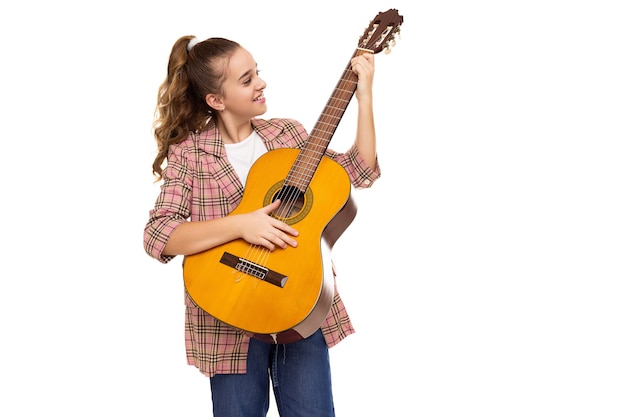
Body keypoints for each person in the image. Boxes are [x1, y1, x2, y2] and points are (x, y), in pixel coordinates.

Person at [143, 35, 381, 417]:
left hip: (298, 302)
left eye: (258, 73)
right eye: (246, 79)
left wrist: (364, 95)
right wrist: (240, 226)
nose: (261, 83)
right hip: (227, 314)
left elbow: (360, 170)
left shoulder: (287, 136)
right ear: (216, 100)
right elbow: (158, 234)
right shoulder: (190, 154)